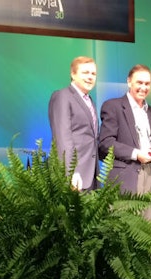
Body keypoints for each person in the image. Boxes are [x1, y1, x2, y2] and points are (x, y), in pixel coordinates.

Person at [99, 64, 151, 221]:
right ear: (129, 82)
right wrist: (136, 154)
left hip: (150, 174)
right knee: (125, 232)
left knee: (150, 231)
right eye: (139, 82)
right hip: (126, 176)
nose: (143, 87)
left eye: (147, 84)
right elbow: (106, 142)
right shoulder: (113, 106)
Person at [48, 56, 99, 191]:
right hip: (73, 176)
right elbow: (62, 138)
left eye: (93, 74)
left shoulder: (89, 100)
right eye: (85, 73)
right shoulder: (63, 96)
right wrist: (70, 172)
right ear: (73, 74)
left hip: (90, 174)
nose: (90, 77)